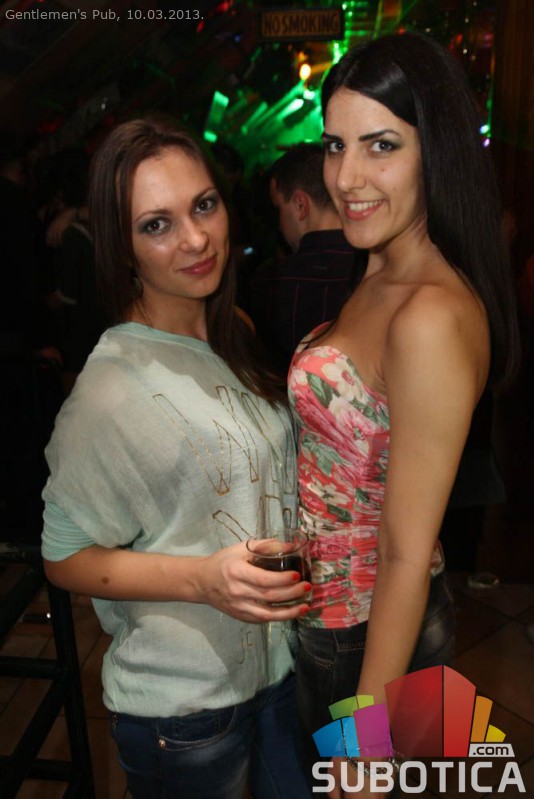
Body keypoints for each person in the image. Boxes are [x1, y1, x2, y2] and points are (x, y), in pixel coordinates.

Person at [41, 118, 313, 799]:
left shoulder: (233, 330)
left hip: (280, 671)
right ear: (124, 248)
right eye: (156, 225)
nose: (196, 239)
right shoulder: (110, 388)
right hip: (185, 709)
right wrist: (201, 579)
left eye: (203, 205)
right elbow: (63, 556)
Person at [288, 32, 520, 796]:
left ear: (435, 152)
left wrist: (368, 742)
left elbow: (404, 552)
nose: (346, 177)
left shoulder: (429, 314)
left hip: (376, 639)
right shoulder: (381, 262)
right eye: (335, 145)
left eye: (380, 145)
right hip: (353, 622)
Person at [250, 144, 366, 374]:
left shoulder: (272, 282)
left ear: (300, 205)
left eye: (279, 209)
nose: (279, 225)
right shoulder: (375, 270)